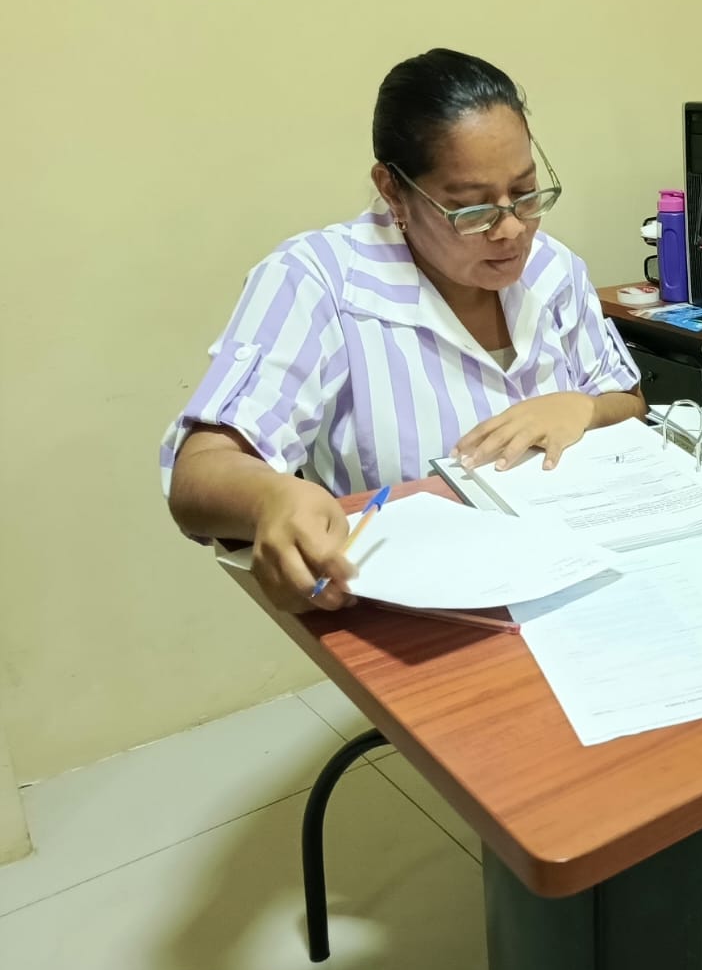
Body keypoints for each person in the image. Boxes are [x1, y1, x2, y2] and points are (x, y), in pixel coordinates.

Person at [162, 48, 644, 612]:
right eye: (472, 210)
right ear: (393, 191)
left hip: (579, 580)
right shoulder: (319, 281)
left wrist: (582, 408)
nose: (512, 229)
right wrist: (271, 498)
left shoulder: (554, 269)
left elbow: (629, 401)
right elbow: (197, 475)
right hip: (425, 613)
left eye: (525, 193)